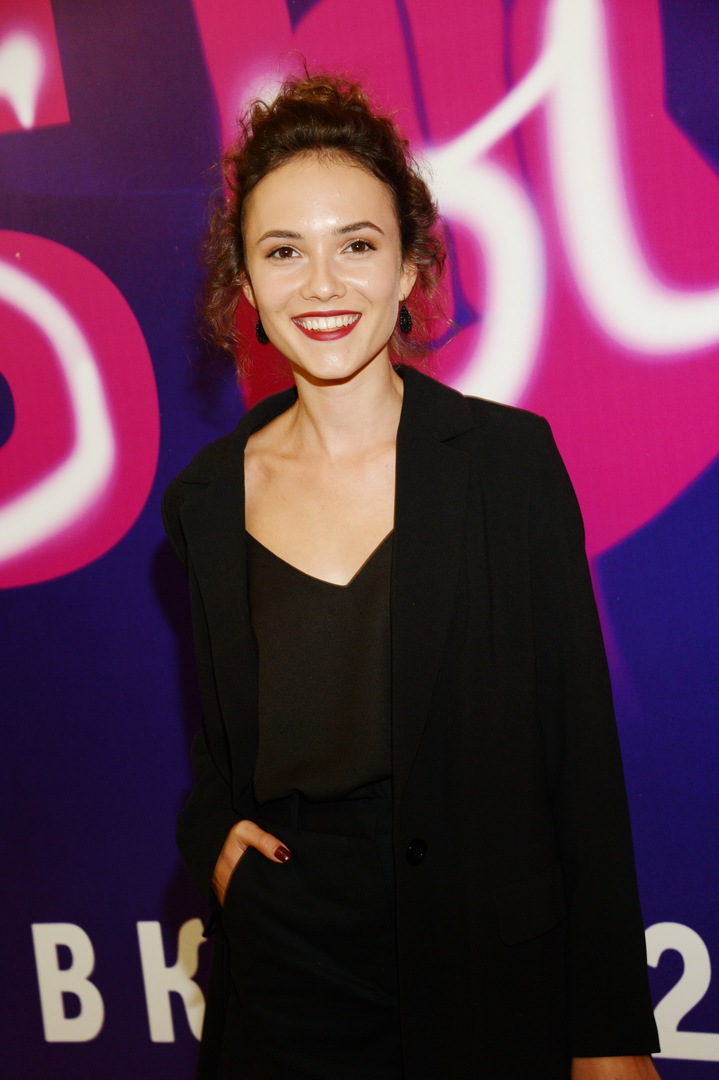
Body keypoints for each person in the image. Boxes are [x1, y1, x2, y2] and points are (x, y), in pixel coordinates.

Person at [162, 72, 661, 1080]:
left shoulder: (507, 465)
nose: (322, 285)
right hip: (287, 975)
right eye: (283, 252)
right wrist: (213, 836)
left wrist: (608, 1031)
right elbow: (222, 743)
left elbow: (577, 756)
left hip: (485, 964)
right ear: (246, 288)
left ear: (408, 268)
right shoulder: (205, 499)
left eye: (356, 244)